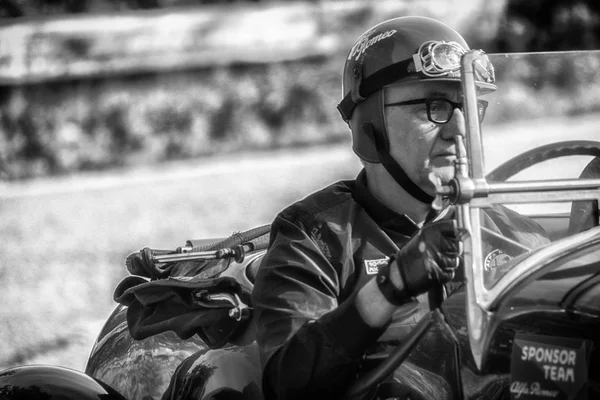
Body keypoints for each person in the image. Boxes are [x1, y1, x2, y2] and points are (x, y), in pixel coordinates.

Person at [251, 16, 550, 400]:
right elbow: (288, 385)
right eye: (436, 105)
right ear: (370, 125)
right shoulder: (314, 238)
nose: (459, 130)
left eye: (469, 107)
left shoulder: (517, 236)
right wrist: (390, 286)